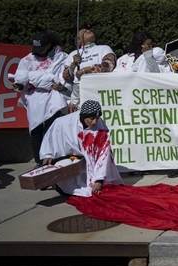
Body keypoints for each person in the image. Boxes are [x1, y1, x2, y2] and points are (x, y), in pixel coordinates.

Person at [39, 100, 123, 197]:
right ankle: (56, 183)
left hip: (88, 161)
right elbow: (51, 136)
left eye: (97, 118)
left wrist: (99, 179)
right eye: (91, 118)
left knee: (95, 192)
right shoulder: (63, 123)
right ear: (83, 116)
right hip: (67, 157)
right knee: (65, 170)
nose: (95, 122)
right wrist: (48, 154)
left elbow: (103, 154)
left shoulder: (100, 126)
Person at [12, 33, 70, 165]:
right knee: (36, 132)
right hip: (34, 100)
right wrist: (19, 85)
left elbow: (63, 78)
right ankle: (39, 163)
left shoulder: (62, 58)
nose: (38, 53)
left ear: (49, 46)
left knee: (52, 130)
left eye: (42, 49)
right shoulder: (27, 60)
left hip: (53, 98)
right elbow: (21, 78)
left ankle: (53, 162)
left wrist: (57, 84)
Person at [63, 29, 116, 107]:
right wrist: (73, 64)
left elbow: (108, 65)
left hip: (100, 90)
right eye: (83, 32)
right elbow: (66, 77)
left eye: (88, 30)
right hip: (79, 96)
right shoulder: (73, 54)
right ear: (79, 41)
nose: (87, 30)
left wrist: (85, 70)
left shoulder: (104, 48)